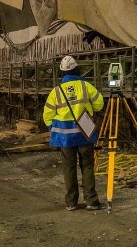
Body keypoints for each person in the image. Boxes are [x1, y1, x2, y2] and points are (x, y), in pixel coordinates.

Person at [44, 55, 105, 211]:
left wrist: (54, 130)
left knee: (69, 168)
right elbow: (99, 104)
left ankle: (71, 203)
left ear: (62, 73)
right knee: (88, 166)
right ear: (77, 69)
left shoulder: (56, 92)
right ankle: (91, 201)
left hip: (65, 139)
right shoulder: (86, 87)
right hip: (85, 134)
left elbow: (47, 116)